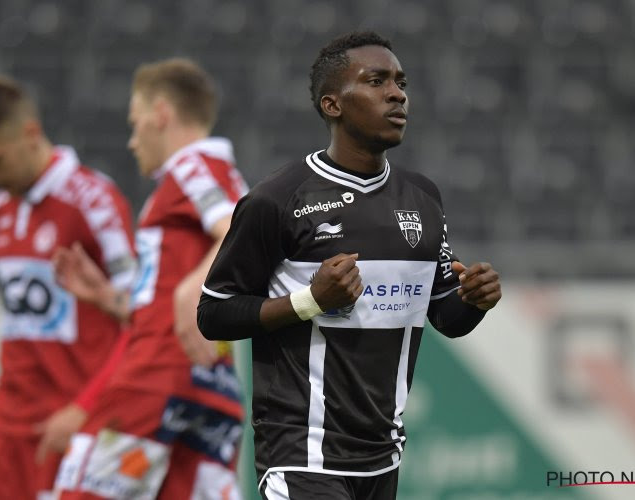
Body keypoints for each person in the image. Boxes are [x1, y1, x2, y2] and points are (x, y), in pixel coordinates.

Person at [197, 31, 503, 499]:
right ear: (332, 105)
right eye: (376, 81)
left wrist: (474, 299)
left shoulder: (423, 199)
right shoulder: (276, 200)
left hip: (383, 455)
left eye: (401, 82)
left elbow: (446, 315)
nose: (397, 93)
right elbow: (214, 312)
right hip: (302, 452)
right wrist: (310, 301)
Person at [51, 58, 247, 499]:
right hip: (210, 391)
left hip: (155, 380)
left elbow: (239, 229)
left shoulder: (192, 164)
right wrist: (110, 299)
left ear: (161, 114)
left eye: (136, 122)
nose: (132, 139)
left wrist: (191, 287)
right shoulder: (216, 174)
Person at [0, 77, 137, 499]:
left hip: (73, 421)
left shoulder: (93, 201)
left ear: (30, 134)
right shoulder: (3, 205)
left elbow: (137, 318)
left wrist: (84, 407)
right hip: (8, 423)